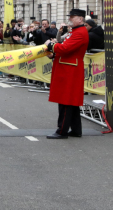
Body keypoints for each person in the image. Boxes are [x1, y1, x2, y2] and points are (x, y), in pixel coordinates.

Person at [45, 9, 90, 139]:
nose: (70, 19)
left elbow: (65, 48)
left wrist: (50, 46)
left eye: (72, 17)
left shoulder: (80, 33)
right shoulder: (75, 31)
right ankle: (76, 129)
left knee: (65, 100)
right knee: (71, 101)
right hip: (68, 67)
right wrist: (54, 54)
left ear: (80, 19)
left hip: (70, 69)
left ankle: (62, 130)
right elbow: (67, 49)